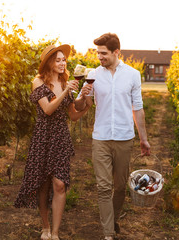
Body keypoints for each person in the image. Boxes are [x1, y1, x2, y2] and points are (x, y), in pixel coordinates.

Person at [75, 33, 151, 240]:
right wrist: (82, 94)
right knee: (103, 186)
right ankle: (108, 233)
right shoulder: (93, 74)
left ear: (116, 52)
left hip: (124, 138)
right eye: (98, 53)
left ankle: (114, 218)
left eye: (104, 53)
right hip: (100, 138)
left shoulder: (133, 75)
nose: (99, 57)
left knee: (119, 187)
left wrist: (143, 139)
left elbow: (138, 109)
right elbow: (82, 106)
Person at [14, 44, 92, 240]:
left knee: (59, 184)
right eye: (57, 60)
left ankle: (55, 233)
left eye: (63, 60)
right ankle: (45, 226)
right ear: (49, 63)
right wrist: (66, 93)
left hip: (60, 137)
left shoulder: (66, 83)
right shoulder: (38, 82)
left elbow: (72, 116)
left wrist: (85, 104)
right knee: (43, 184)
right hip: (43, 137)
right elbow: (48, 109)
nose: (62, 63)